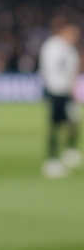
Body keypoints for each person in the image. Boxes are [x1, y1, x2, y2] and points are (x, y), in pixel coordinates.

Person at [39, 19, 81, 178]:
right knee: (55, 126)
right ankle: (51, 161)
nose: (75, 37)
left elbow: (73, 71)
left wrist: (72, 89)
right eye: (73, 33)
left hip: (67, 92)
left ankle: (69, 152)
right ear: (64, 31)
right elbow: (50, 70)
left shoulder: (70, 49)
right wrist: (53, 88)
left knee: (74, 120)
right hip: (56, 91)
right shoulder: (52, 46)